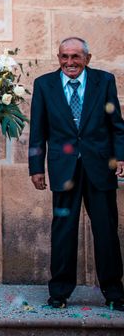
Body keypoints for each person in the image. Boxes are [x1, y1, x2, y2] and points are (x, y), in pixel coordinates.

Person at [29, 37, 124, 311]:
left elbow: (116, 124)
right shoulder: (44, 84)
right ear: (58, 58)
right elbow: (38, 131)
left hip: (99, 167)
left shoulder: (104, 81)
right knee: (63, 231)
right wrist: (36, 167)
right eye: (64, 57)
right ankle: (59, 291)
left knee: (106, 231)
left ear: (87, 58)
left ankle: (115, 292)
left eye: (75, 57)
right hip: (63, 170)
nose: (69, 62)